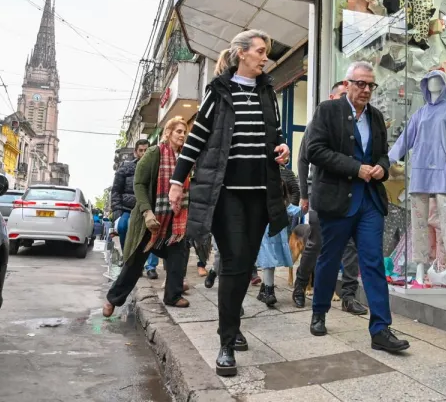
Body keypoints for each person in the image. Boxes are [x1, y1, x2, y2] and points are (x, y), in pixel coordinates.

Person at [169, 29, 290, 377]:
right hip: (227, 194)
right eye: (260, 51)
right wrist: (178, 181)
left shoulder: (269, 93)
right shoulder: (219, 93)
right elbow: (196, 140)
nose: (265, 57)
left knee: (244, 264)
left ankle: (233, 326)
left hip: (260, 194)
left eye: (265, 52)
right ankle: (226, 343)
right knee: (236, 262)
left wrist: (281, 149)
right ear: (242, 54)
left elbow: (275, 136)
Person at [305, 61, 409, 354]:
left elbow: (383, 155)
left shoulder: (376, 117)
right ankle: (319, 311)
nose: (365, 90)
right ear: (347, 83)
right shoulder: (328, 111)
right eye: (360, 84)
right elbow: (315, 150)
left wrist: (380, 168)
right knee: (330, 257)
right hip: (337, 201)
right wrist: (356, 168)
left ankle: (380, 329)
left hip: (369, 202)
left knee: (373, 261)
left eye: (370, 85)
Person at [103, 118, 193, 317]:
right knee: (135, 263)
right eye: (178, 130)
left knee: (178, 256)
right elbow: (139, 184)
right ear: (168, 133)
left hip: (174, 219)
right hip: (150, 219)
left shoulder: (183, 158)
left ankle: (173, 295)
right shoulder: (155, 153)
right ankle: (113, 298)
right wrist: (147, 212)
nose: (182, 135)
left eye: (184, 132)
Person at [294, 81, 368, 316]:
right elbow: (303, 159)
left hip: (350, 194)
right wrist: (304, 195)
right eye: (342, 96)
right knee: (316, 243)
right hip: (322, 192)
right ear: (332, 97)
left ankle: (348, 295)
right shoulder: (319, 121)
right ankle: (299, 286)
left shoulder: (357, 125)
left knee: (350, 245)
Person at [111, 139, 160, 279]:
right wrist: (117, 211)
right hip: (128, 208)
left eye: (146, 150)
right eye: (141, 150)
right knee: (122, 227)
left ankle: (150, 267)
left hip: (150, 208)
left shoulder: (156, 167)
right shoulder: (125, 168)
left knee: (153, 231)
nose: (144, 153)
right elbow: (115, 190)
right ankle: (129, 261)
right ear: (135, 152)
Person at [256, 177, 303, 307]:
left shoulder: (283, 205)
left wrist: (304, 208)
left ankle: (263, 290)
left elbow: (296, 211)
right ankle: (269, 293)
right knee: (269, 264)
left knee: (270, 265)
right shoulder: (263, 204)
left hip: (276, 240)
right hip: (265, 239)